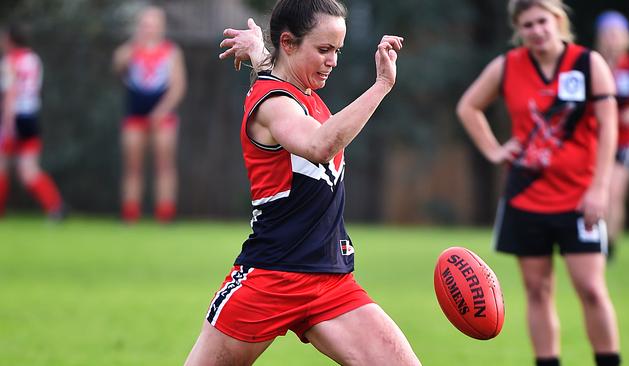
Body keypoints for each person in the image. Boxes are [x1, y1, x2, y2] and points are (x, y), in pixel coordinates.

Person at [184, 1, 420, 365]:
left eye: (337, 50)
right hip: (270, 276)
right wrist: (382, 85)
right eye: (324, 50)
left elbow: (278, 69)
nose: (333, 61)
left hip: (330, 281)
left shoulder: (296, 86)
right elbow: (319, 145)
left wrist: (259, 50)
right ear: (289, 43)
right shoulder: (274, 104)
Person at [456, 1, 620, 365]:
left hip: (580, 197)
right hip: (525, 197)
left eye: (542, 21)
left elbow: (610, 127)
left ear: (557, 21)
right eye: (527, 24)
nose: (537, 30)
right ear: (519, 29)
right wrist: (494, 150)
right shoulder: (507, 66)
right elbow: (468, 106)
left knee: (592, 289)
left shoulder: (588, 64)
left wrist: (600, 187)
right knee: (537, 289)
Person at [112, 5, 186, 223]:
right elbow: (117, 66)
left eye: (153, 24)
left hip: (163, 116)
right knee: (132, 166)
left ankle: (165, 215)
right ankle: (130, 214)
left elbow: (178, 86)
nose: (149, 28)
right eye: (145, 24)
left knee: (164, 165)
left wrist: (161, 111)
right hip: (135, 114)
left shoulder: (171, 52)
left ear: (162, 27)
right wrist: (134, 44)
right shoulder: (131, 50)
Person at [595, 10, 629, 261]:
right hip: (597, 142)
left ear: (626, 38)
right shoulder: (595, 68)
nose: (611, 39)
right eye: (607, 34)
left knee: (614, 193)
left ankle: (609, 247)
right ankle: (598, 241)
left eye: (616, 34)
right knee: (599, 193)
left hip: (626, 143)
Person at [0, 23, 64, 219]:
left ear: (10, 39)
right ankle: (55, 207)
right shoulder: (33, 59)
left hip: (15, 117)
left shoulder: (9, 61)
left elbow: (11, 93)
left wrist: (7, 123)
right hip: (31, 117)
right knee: (29, 170)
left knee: (2, 166)